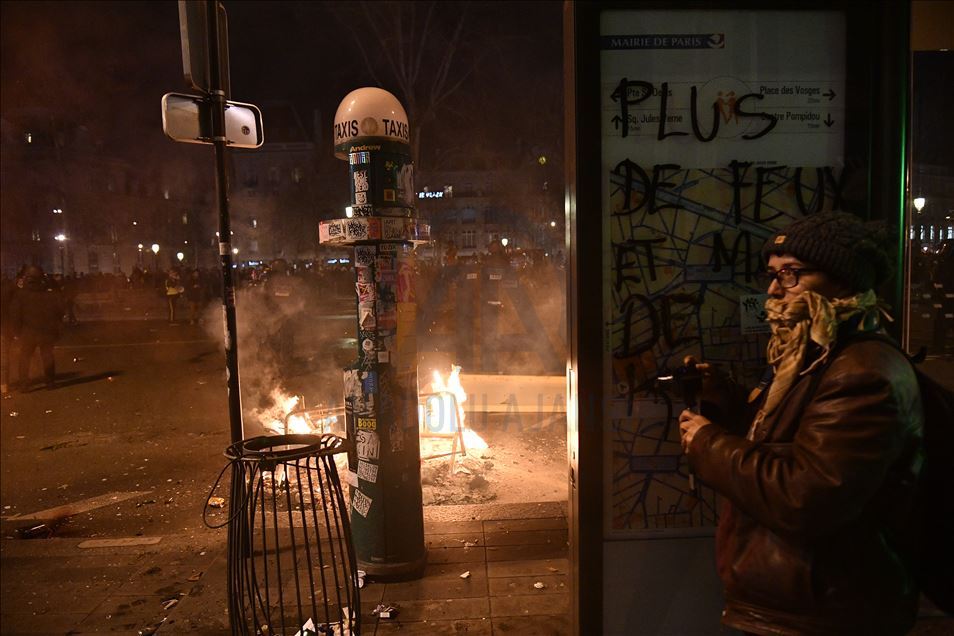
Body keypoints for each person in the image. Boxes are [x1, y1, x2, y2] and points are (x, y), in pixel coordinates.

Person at [679, 212, 924, 635]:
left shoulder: (861, 371)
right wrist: (723, 396)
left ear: (842, 280)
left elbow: (807, 495)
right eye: (773, 274)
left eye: (791, 274)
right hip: (803, 606)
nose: (774, 289)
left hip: (830, 613)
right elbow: (788, 439)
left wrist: (708, 445)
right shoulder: (811, 353)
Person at [10, 265, 66, 391]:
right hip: (46, 331)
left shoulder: (21, 294)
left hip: (28, 332)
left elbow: (15, 314)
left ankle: (24, 384)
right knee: (47, 356)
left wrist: (16, 332)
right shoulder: (49, 293)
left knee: (25, 358)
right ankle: (50, 382)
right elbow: (59, 311)